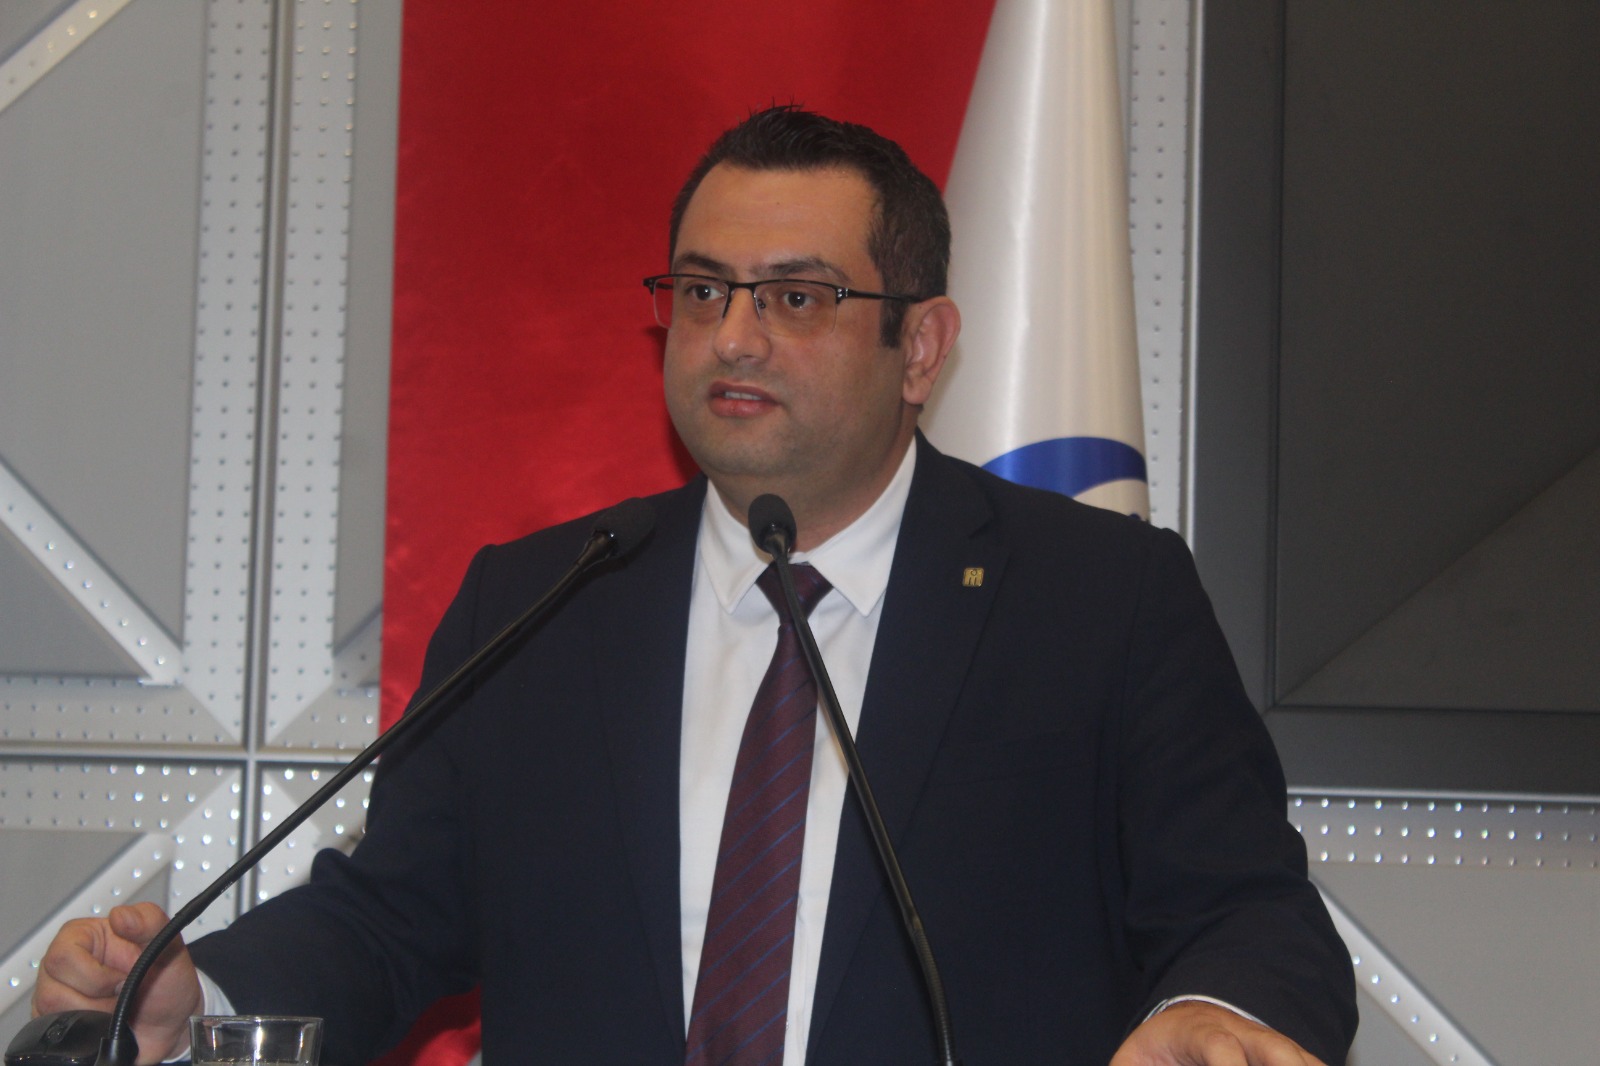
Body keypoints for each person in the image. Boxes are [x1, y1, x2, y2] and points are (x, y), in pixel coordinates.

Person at [33, 106, 1355, 1065]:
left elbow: (1249, 906)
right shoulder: (540, 602)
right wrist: (197, 995)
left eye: (797, 298)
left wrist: (1217, 1011)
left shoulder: (1098, 598)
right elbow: (393, 917)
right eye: (706, 289)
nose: (732, 337)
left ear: (922, 345)